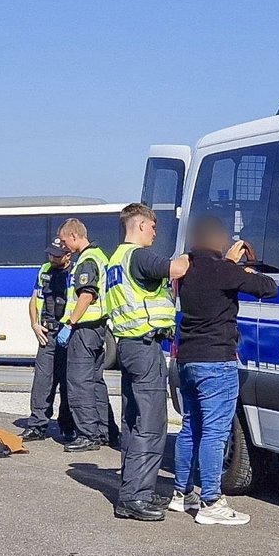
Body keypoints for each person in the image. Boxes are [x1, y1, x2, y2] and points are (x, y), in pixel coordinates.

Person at [170, 217, 277, 525]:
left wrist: (229, 265)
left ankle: (181, 494)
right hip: (216, 361)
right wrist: (243, 268)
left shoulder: (186, 270)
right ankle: (211, 502)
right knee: (216, 433)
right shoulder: (225, 271)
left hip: (187, 359)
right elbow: (267, 288)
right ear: (219, 241)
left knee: (190, 427)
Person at [103, 203, 188, 521]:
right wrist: (197, 254)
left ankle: (134, 491)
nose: (155, 232)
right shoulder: (138, 256)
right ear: (139, 226)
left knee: (133, 421)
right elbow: (177, 269)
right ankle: (135, 498)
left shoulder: (115, 260)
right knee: (151, 425)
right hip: (144, 345)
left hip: (127, 346)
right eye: (153, 227)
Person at [55, 217, 116, 452]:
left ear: (74, 236)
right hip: (98, 329)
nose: (64, 247)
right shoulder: (101, 256)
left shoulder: (87, 260)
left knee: (79, 383)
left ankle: (87, 434)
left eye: (64, 241)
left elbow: (86, 295)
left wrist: (70, 323)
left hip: (84, 328)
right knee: (95, 382)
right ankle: (104, 431)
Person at [21, 239, 77, 440]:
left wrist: (71, 327)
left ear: (68, 256)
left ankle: (67, 426)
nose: (52, 258)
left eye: (57, 255)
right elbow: (34, 299)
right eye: (50, 254)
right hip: (47, 333)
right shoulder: (45, 270)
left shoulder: (75, 272)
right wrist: (35, 324)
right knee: (42, 382)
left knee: (68, 382)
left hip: (68, 334)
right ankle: (37, 424)